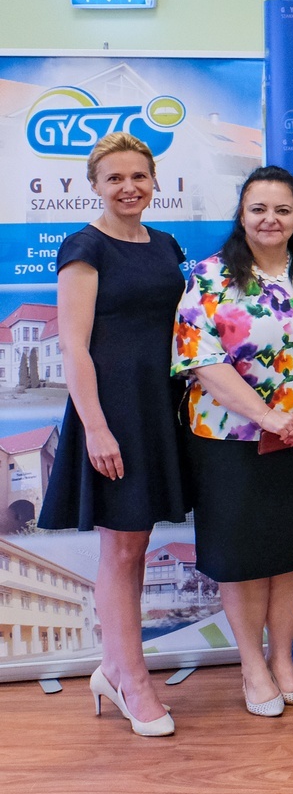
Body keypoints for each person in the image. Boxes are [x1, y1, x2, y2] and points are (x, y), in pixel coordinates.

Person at [171, 166, 293, 718]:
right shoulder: (209, 277)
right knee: (246, 559)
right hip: (234, 441)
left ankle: (284, 661)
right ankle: (252, 667)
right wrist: (267, 417)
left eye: (282, 209)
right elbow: (200, 359)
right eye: (258, 209)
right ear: (242, 214)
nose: (270, 219)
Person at [39, 133, 186, 737]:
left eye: (139, 176)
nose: (129, 187)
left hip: (162, 408)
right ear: (94, 186)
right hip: (114, 412)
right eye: (115, 178)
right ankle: (131, 680)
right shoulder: (84, 247)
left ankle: (114, 668)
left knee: (137, 543)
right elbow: (73, 347)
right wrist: (97, 428)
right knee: (121, 548)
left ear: (155, 182)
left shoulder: (167, 244)